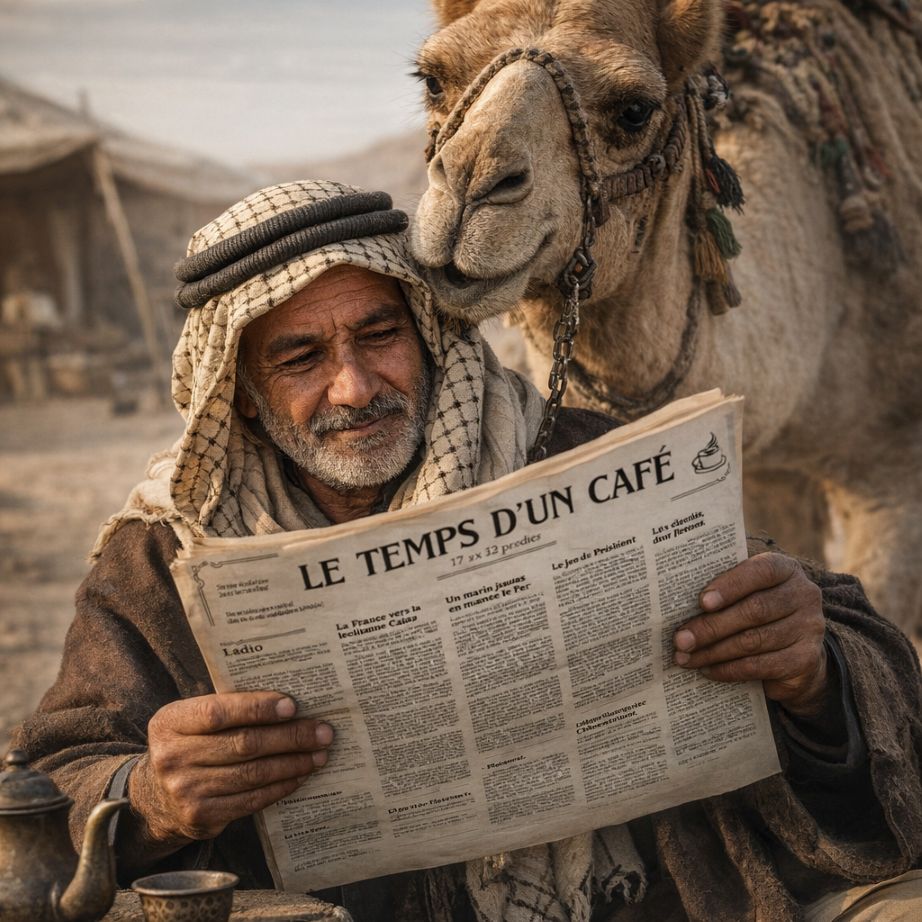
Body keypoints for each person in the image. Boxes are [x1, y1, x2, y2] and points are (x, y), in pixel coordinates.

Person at [13, 180, 922, 922]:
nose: (355, 385)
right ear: (240, 396)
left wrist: (810, 666)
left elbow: (847, 636)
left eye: (379, 335)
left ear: (429, 332)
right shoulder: (162, 553)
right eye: (299, 359)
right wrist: (150, 794)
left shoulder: (576, 456)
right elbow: (57, 774)